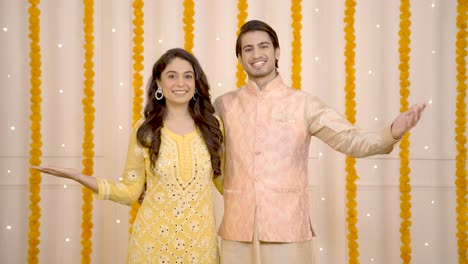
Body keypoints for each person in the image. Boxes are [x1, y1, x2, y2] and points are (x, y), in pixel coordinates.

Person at [213, 20, 426, 264]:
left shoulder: (304, 103)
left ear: (277, 52)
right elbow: (207, 157)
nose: (256, 54)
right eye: (247, 49)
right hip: (236, 230)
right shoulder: (224, 105)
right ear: (239, 57)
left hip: (288, 229)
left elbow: (349, 140)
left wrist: (391, 132)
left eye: (263, 46)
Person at [33, 48, 224, 264]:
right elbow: (130, 191)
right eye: (172, 76)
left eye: (188, 76)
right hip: (152, 245)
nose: (181, 83)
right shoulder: (145, 130)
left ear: (196, 83)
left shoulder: (213, 127)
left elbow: (226, 183)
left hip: (200, 245)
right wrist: (80, 177)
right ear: (159, 84)